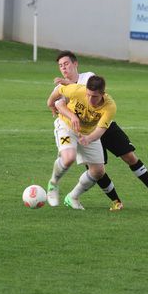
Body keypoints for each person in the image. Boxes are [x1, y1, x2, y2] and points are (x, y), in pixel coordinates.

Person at [50, 51, 148, 211]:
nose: (64, 68)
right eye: (60, 66)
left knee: (129, 156)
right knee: (98, 170)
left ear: (75, 64)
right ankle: (115, 200)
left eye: (66, 64)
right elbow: (59, 104)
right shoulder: (64, 89)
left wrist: (66, 84)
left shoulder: (89, 78)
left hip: (104, 126)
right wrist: (68, 111)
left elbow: (87, 91)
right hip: (82, 129)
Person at [46, 75, 113, 210]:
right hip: (66, 126)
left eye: (94, 96)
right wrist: (51, 104)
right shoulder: (77, 90)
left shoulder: (110, 106)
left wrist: (88, 139)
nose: (90, 99)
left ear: (103, 94)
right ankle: (53, 184)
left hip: (89, 134)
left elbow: (100, 130)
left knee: (98, 171)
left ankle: (73, 197)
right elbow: (59, 90)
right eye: (88, 95)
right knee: (69, 158)